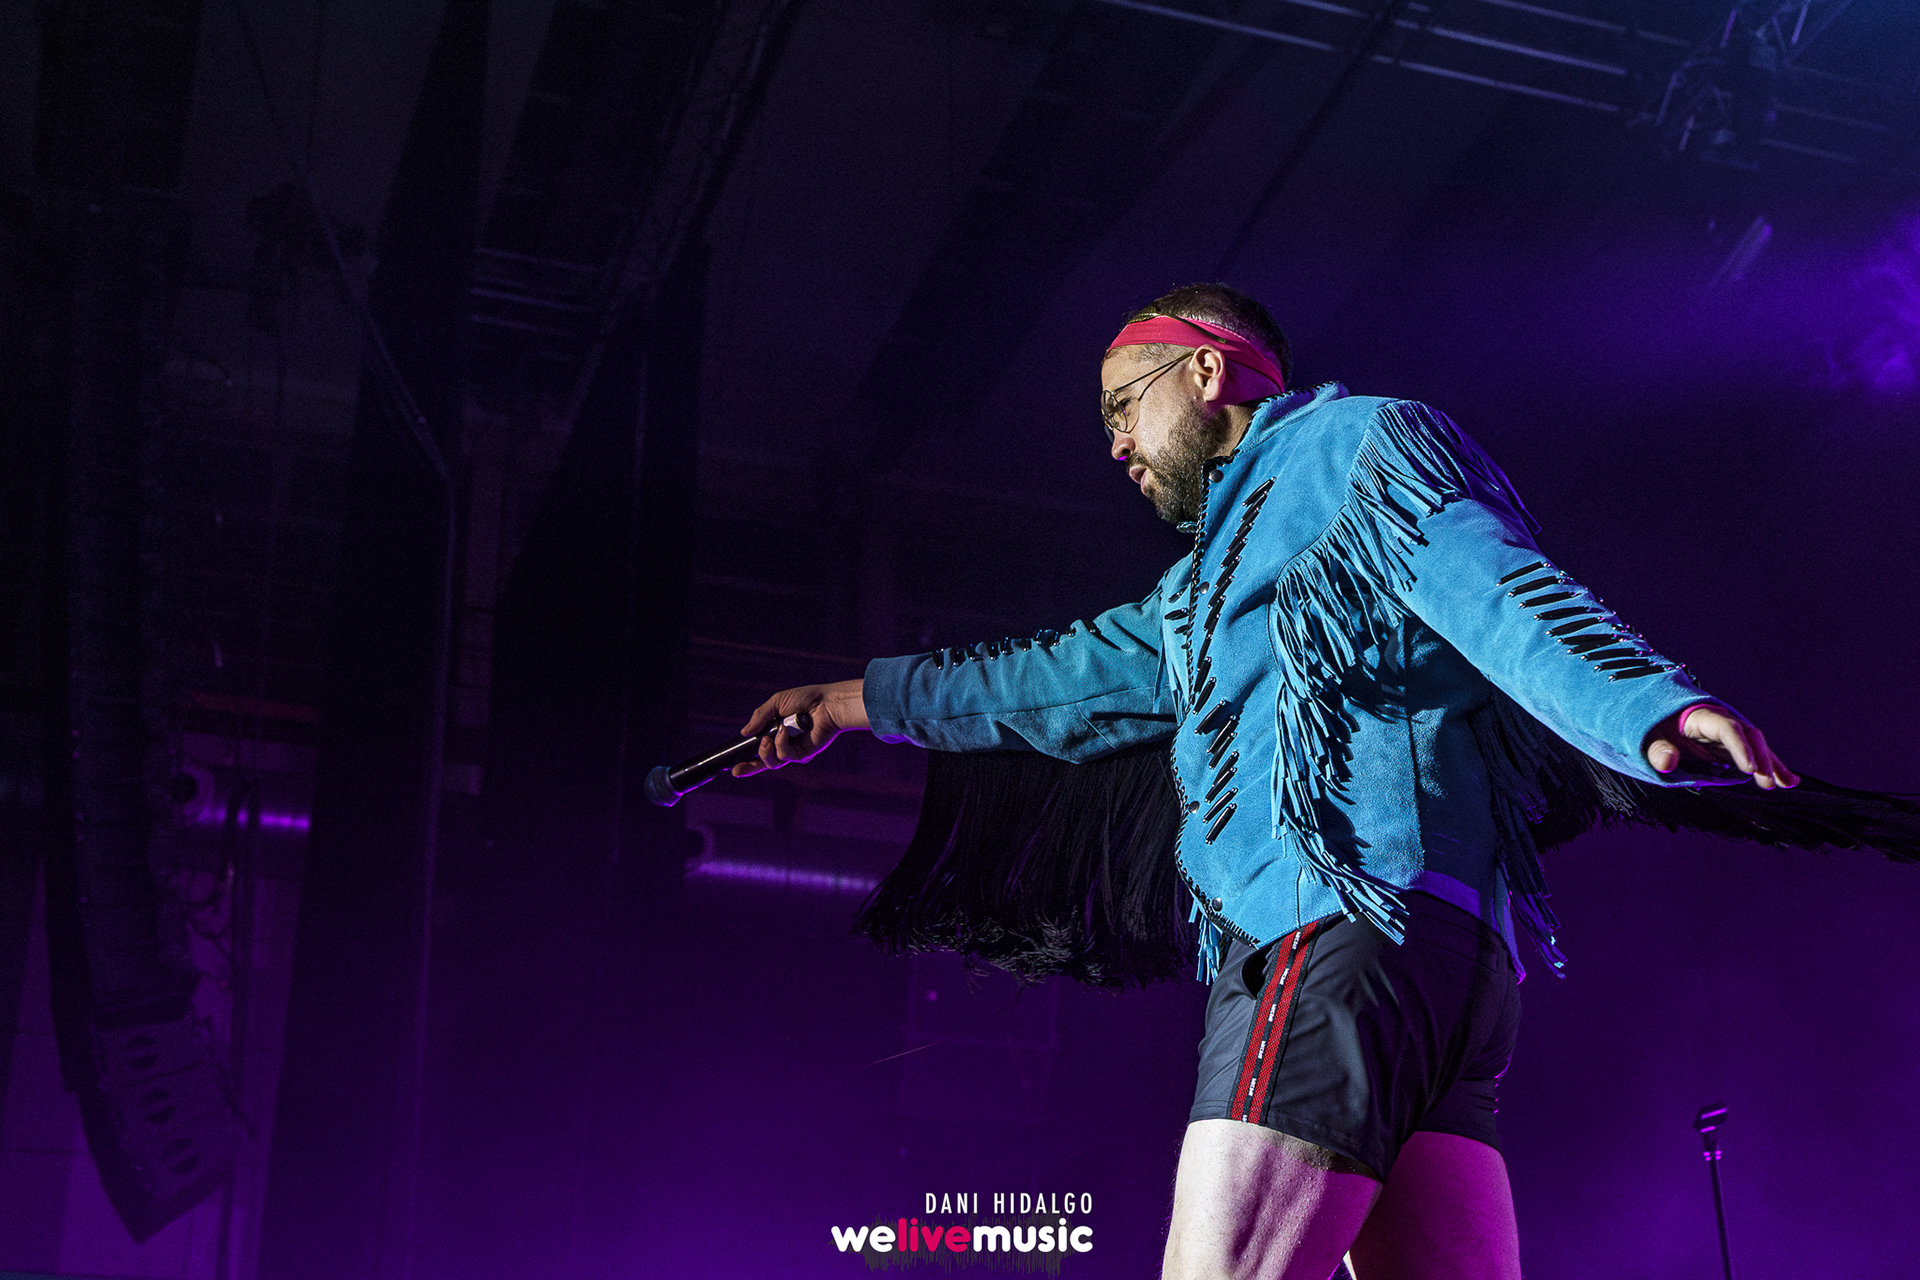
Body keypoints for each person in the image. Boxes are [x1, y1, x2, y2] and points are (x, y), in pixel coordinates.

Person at [730, 283, 1798, 1279]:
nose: (1115, 443)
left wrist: (1649, 705)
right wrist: (850, 701)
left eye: (1123, 405)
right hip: (1444, 978)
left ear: (1205, 370)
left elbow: (1496, 585)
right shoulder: (1203, 588)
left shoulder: (1354, 446)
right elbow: (1050, 681)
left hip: (1337, 932)